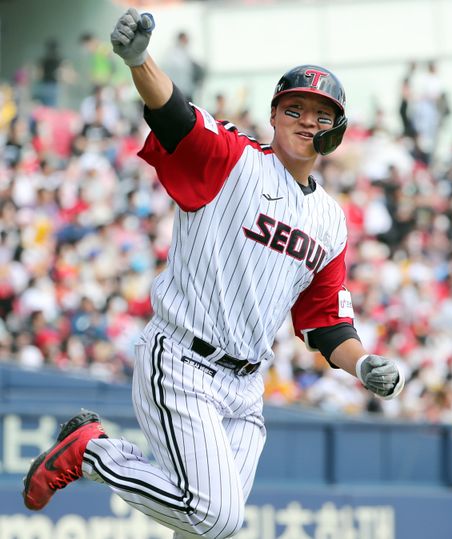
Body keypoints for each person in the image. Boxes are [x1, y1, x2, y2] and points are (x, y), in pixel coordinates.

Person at [22, 8, 405, 538]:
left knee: (203, 533)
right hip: (183, 359)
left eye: (321, 115)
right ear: (274, 116)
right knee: (214, 516)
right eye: (294, 109)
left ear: (335, 131)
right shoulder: (233, 159)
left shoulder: (331, 220)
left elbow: (327, 323)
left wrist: (362, 364)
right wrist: (139, 60)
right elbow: (175, 116)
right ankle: (91, 452)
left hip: (246, 389)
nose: (306, 121)